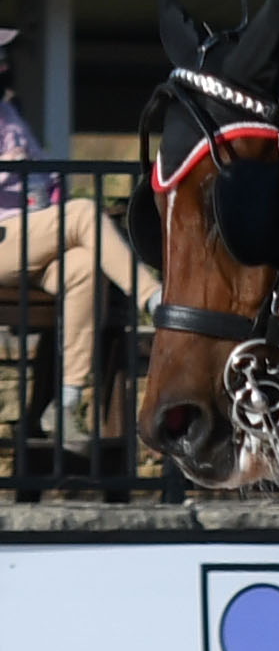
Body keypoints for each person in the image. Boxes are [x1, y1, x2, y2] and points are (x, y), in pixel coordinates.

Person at [0, 28, 157, 449]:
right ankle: (153, 299)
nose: (4, 62)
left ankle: (64, 405)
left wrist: (41, 175)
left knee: (84, 266)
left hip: (32, 238)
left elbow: (48, 174)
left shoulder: (9, 113)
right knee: (85, 213)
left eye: (5, 54)